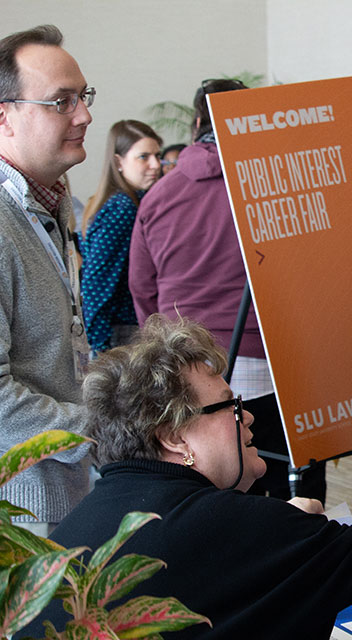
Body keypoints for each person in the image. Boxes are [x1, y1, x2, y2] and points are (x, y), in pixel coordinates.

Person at [31, 314, 352, 639]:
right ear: (174, 437)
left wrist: (278, 534)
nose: (249, 416)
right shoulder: (222, 521)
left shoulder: (83, 525)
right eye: (227, 407)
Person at [129, 79, 325, 501]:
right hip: (274, 362)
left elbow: (142, 288)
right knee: (292, 486)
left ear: (197, 122)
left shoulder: (159, 194)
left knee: (211, 491)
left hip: (187, 370)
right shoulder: (275, 189)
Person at [0, 24, 95, 533]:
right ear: (4, 116)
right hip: (19, 518)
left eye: (83, 97)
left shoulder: (50, 200)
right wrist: (100, 430)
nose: (84, 115)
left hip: (64, 493)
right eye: (61, 101)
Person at [80, 120, 163, 354]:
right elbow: (96, 283)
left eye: (158, 156)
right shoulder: (122, 208)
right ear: (118, 162)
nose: (155, 165)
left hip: (126, 330)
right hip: (121, 335)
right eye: (143, 157)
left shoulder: (133, 202)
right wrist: (99, 349)